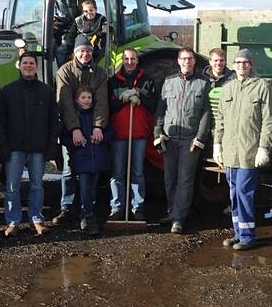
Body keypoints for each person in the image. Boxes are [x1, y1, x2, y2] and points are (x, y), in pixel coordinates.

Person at [213, 48, 272, 250]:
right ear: (233, 65)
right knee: (233, 194)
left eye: (245, 62)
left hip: (249, 152)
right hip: (230, 152)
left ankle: (248, 237)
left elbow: (269, 121)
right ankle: (238, 233)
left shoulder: (262, 87)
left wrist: (264, 147)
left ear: (251, 65)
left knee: (243, 192)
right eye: (238, 62)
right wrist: (217, 145)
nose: (241, 65)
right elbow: (220, 120)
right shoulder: (227, 89)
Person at [0, 53, 59, 237]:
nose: (28, 66)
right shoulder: (8, 91)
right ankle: (13, 221)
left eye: (32, 63)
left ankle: (36, 219)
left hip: (38, 147)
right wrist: (2, 144)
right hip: (15, 147)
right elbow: (1, 121)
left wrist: (51, 145)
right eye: (25, 63)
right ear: (19, 65)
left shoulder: (47, 91)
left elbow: (53, 121)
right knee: (12, 186)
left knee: (37, 185)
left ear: (36, 66)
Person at [153, 47, 211, 234]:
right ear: (178, 61)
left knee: (185, 180)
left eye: (190, 59)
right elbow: (161, 110)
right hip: (169, 138)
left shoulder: (203, 83)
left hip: (190, 140)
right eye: (183, 59)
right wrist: (157, 133)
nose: (187, 62)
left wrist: (199, 138)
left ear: (194, 62)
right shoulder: (169, 82)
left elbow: (206, 113)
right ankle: (171, 212)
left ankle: (179, 219)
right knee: (170, 179)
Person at [53, 35, 109, 225]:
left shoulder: (99, 73)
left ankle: (88, 209)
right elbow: (65, 102)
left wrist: (98, 126)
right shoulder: (64, 71)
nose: (85, 54)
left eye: (88, 51)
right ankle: (66, 207)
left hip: (92, 126)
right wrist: (74, 129)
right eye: (81, 51)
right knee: (69, 169)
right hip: (72, 127)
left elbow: (102, 101)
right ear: (75, 53)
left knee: (91, 169)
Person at [108, 48, 157, 221]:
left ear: (137, 60)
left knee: (137, 172)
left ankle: (138, 208)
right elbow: (109, 107)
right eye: (127, 59)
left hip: (139, 133)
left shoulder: (147, 80)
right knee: (118, 172)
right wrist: (123, 98)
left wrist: (139, 94)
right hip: (119, 133)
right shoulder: (113, 81)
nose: (130, 62)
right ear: (123, 60)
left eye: (133, 59)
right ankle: (117, 208)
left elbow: (153, 104)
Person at [61, 86, 112, 235]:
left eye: (89, 97)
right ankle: (89, 217)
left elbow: (110, 131)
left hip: (96, 160)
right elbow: (64, 136)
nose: (86, 100)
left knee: (93, 189)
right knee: (84, 189)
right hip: (81, 160)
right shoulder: (74, 117)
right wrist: (74, 142)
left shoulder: (98, 117)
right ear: (77, 100)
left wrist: (102, 137)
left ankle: (85, 214)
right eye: (83, 97)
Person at [60, 0, 107, 64]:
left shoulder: (102, 19)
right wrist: (72, 51)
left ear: (95, 10)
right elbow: (71, 35)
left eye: (91, 10)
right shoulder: (78, 20)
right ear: (82, 12)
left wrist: (97, 36)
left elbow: (106, 30)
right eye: (86, 11)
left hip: (96, 44)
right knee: (62, 50)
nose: (89, 13)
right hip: (81, 44)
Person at [202, 47, 235, 118]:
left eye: (221, 60)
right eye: (216, 60)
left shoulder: (233, 80)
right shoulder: (202, 79)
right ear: (210, 62)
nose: (219, 63)